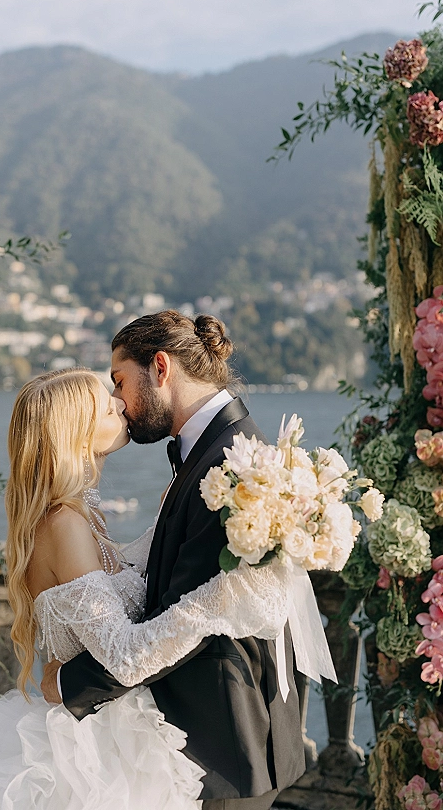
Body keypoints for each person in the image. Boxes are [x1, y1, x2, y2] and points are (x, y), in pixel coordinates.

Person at [0, 364, 293, 810]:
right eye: (104, 404)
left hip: (120, 731)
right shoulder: (63, 525)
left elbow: (125, 581)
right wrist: (221, 600)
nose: (120, 403)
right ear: (76, 432)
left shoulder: (82, 516)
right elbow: (124, 655)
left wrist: (168, 517)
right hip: (93, 754)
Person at [46, 311, 307, 810]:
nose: (119, 402)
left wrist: (67, 683)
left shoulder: (231, 463)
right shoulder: (218, 449)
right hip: (210, 738)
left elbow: (184, 616)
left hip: (224, 742)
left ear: (160, 368)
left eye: (120, 382)